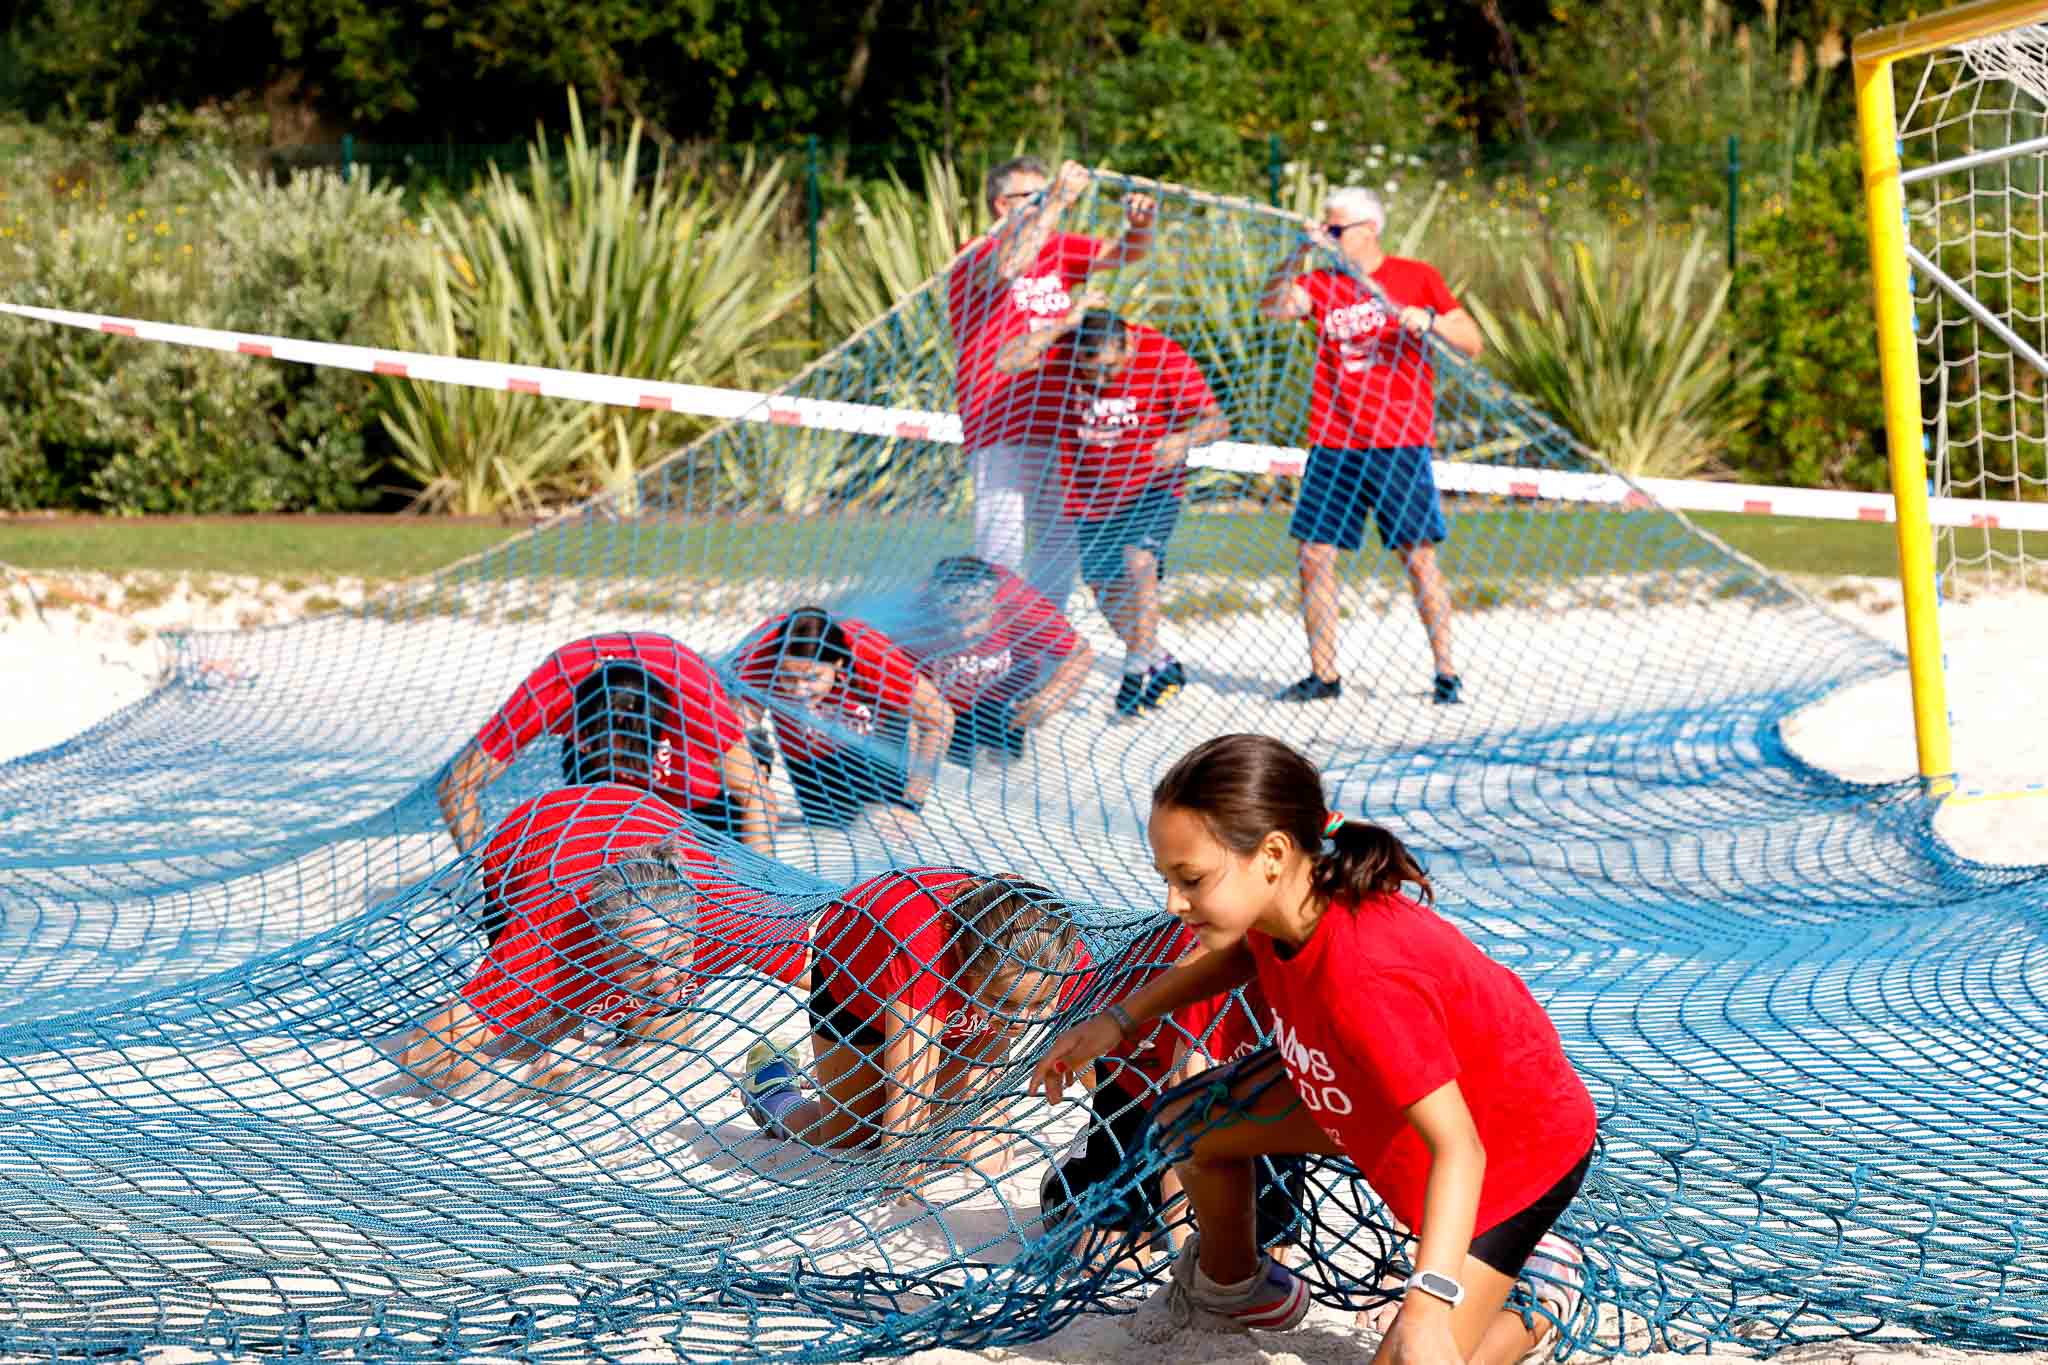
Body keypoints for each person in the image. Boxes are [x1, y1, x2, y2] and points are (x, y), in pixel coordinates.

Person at [1035, 734, 1594, 1361]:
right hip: (1366, 1091)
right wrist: (1119, 1019)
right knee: (1183, 1123)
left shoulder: (1366, 976)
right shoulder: (1289, 907)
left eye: (1190, 878)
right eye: (1168, 877)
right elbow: (1240, 956)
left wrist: (1429, 1304)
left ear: (1272, 853)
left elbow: (1458, 1148)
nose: (1174, 901)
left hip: (1505, 1150)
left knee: (1421, 1351)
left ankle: (1538, 1298)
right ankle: (1233, 1287)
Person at [396, 783, 809, 1100]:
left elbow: (833, 968)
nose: (666, 978)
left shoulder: (728, 913)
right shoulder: (548, 940)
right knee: (537, 1035)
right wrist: (504, 1074)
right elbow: (422, 1051)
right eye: (642, 962)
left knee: (665, 1031)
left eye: (677, 953)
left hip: (639, 812)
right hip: (537, 831)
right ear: (602, 942)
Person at [1258, 188, 1485, 706]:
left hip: (1397, 441)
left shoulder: (1416, 276)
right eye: (1325, 229)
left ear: (1369, 229)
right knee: (1314, 555)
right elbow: (1272, 306)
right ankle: (1325, 675)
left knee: (1417, 557)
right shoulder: (1321, 281)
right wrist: (1299, 252)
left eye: (1335, 230)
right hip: (1334, 441)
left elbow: (1471, 342)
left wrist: (1426, 321)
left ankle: (1445, 671)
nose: (1329, 237)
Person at [996, 302, 1228, 718]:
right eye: (1091, 370)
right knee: (1104, 590)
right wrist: (1064, 325)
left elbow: (1217, 421)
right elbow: (1007, 360)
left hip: (1152, 484)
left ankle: (1136, 668)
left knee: (1139, 563)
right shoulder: (1065, 348)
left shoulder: (1163, 355)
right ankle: (1160, 662)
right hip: (1090, 493)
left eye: (1110, 367)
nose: (1101, 378)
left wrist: (1183, 440)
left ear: (1128, 345)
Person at [948, 155, 1156, 603]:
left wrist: (1140, 224)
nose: (1049, 204)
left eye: (1048, 194)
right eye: (1035, 197)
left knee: (1058, 547)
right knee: (1000, 548)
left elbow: (1128, 253)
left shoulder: (1059, 246)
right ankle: (997, 645)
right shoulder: (979, 250)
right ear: (1003, 205)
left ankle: (1044, 648)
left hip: (1058, 422)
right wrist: (1057, 201)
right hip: (999, 417)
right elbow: (1010, 267)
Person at [438, 632, 775, 857]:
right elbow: (455, 787)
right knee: (603, 849)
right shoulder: (552, 690)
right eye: (608, 751)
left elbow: (755, 794)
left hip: (692, 776)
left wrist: (762, 891)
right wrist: (490, 880)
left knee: (716, 838)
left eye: (631, 754)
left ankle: (749, 743)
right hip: (605, 774)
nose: (625, 766)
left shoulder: (687, 691)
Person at [733, 607, 955, 842]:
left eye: (812, 678)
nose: (799, 690)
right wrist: (756, 795)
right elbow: (744, 734)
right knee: (827, 828)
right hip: (807, 754)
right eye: (788, 678)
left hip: (872, 744)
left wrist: (911, 803)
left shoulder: (872, 655)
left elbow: (940, 720)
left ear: (838, 663)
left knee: (885, 827)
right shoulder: (760, 658)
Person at [904, 555, 1094, 767]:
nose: (966, 634)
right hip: (940, 699)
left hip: (1005, 694)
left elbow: (1080, 653)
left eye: (975, 619)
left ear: (995, 606)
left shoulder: (1021, 604)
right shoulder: (911, 612)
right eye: (952, 623)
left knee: (999, 759)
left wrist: (1049, 699)